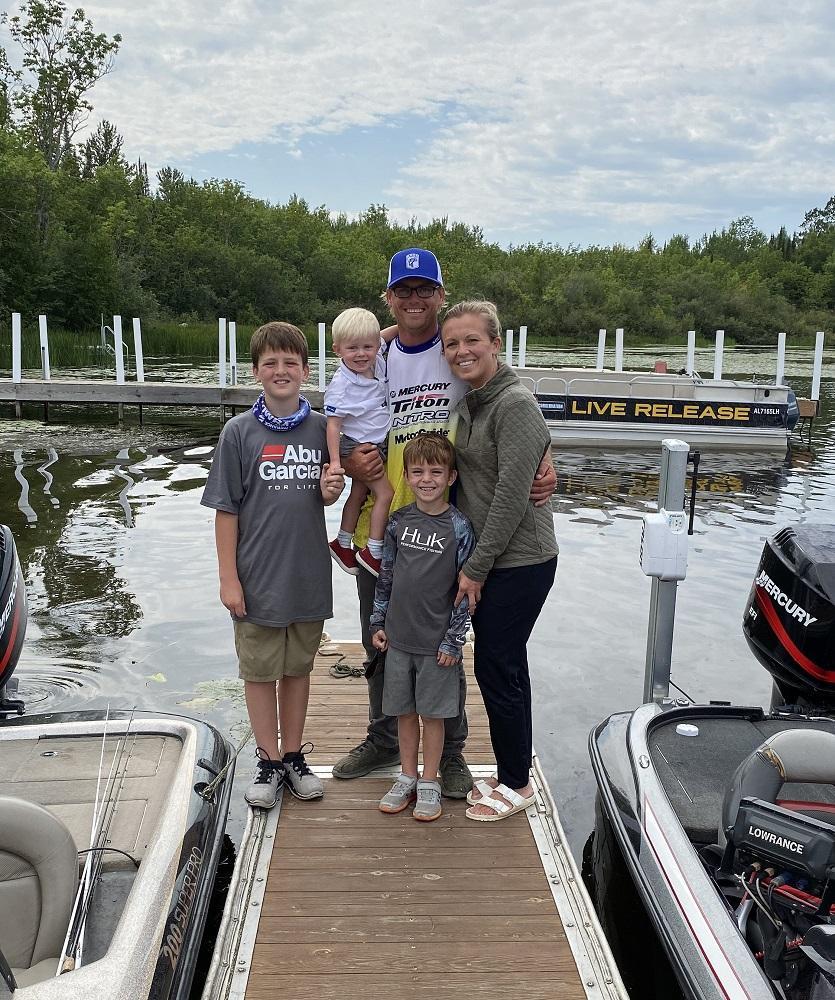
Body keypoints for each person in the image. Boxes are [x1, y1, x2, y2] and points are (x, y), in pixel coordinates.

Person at [332, 247, 556, 799]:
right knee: (379, 632)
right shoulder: (371, 353)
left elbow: (508, 392)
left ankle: (449, 752)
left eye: (423, 290)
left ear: (440, 295)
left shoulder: (458, 352)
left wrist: (548, 451)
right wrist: (350, 459)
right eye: (402, 292)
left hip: (448, 521)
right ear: (389, 298)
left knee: (443, 641)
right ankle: (383, 736)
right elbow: (339, 413)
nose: (413, 300)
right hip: (384, 521)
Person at [201, 321, 345, 809]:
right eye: (270, 363)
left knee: (298, 670)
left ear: (306, 370)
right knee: (260, 672)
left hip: (306, 574)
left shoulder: (324, 428)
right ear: (256, 371)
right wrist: (228, 579)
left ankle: (292, 757)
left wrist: (334, 490)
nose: (281, 371)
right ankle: (266, 761)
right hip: (256, 577)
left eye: (290, 363)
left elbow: (341, 482)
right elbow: (226, 510)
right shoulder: (238, 432)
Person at [440, 300, 559, 822]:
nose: (461, 351)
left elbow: (513, 497)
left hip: (519, 560)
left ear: (495, 344)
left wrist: (475, 567)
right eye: (451, 343)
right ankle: (517, 769)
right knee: (508, 666)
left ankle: (515, 783)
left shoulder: (513, 404)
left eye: (471, 340)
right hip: (494, 556)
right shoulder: (475, 401)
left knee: (496, 664)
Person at [370, 434, 475, 822]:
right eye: (418, 472)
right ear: (407, 476)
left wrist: (453, 639)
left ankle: (430, 780)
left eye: (435, 471)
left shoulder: (461, 527)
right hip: (399, 640)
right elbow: (386, 576)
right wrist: (377, 621)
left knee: (433, 716)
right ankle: (407, 776)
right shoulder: (398, 522)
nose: (426, 479)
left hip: (437, 647)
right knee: (403, 711)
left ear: (451, 477)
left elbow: (465, 592)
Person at [324, 307, 393, 578]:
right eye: (352, 348)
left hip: (373, 442)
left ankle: (342, 543)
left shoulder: (376, 359)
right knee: (385, 494)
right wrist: (336, 464)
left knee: (358, 493)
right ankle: (373, 550)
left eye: (368, 346)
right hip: (356, 446)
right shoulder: (342, 385)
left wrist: (404, 325)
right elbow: (333, 427)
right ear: (337, 349)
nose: (361, 354)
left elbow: (385, 334)